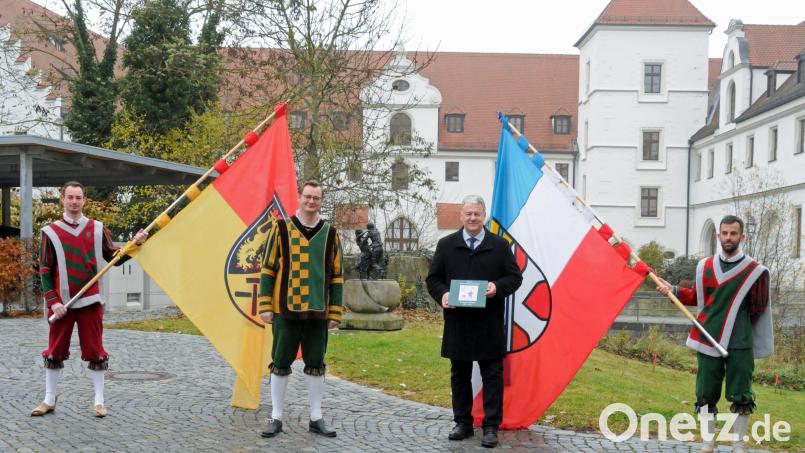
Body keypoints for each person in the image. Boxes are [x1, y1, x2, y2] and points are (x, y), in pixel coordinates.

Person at [31, 181, 147, 418]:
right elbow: (44, 269)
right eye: (70, 197)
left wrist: (135, 244)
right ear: (62, 199)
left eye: (79, 197)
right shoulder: (50, 232)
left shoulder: (97, 228)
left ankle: (99, 401)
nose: (74, 202)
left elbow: (115, 257)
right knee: (55, 350)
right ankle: (49, 399)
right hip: (62, 305)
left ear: (84, 200)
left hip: (91, 300)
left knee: (95, 350)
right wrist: (53, 301)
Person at [656, 215, 770, 453]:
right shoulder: (705, 267)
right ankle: (708, 443)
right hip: (708, 338)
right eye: (725, 233)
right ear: (718, 236)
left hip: (740, 342)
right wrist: (673, 290)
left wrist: (735, 323)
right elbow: (698, 297)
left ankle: (738, 443)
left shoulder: (755, 271)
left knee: (741, 393)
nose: (728, 238)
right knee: (706, 392)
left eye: (733, 234)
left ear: (742, 236)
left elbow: (758, 307)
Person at [426, 195, 523, 449]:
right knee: (460, 374)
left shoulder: (500, 246)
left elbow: (515, 278)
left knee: (492, 375)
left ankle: (491, 426)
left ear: (484, 216)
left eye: (477, 214)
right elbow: (433, 279)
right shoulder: (446, 245)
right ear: (461, 216)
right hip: (458, 323)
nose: (472, 218)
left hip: (488, 324)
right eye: (468, 214)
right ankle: (463, 423)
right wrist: (444, 295)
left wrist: (496, 287)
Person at [258, 180, 344, 438]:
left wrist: (335, 312)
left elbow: (337, 276)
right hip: (285, 309)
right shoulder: (281, 229)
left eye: (316, 198)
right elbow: (268, 269)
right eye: (307, 196)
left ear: (321, 200)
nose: (311, 201)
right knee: (281, 362)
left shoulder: (330, 234)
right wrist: (265, 305)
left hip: (318, 311)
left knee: (316, 363)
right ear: (299, 197)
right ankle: (276, 417)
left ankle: (316, 417)